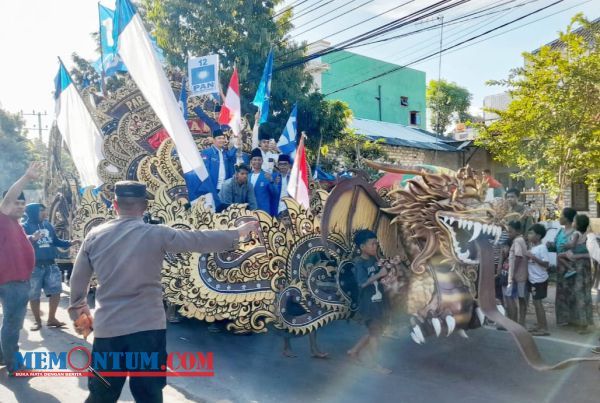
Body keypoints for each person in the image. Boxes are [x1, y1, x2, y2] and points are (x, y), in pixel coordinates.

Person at [68, 181, 259, 402]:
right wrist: (237, 233)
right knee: (149, 395)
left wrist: (79, 315)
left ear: (114, 205)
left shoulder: (94, 236)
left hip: (108, 330)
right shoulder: (157, 234)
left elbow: (77, 282)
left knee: (101, 396)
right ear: (145, 206)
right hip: (147, 331)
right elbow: (198, 239)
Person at [0, 162, 41, 374]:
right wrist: (26, 178)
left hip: (17, 281)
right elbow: (8, 200)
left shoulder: (14, 224)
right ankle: (14, 365)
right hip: (13, 283)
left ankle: (2, 357)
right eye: (16, 203)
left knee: (10, 323)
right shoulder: (3, 218)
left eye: (22, 203)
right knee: (13, 324)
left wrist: (31, 239)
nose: (20, 206)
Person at [21, 203, 78, 331]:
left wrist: (70, 243)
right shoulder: (24, 227)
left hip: (51, 265)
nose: (45, 213)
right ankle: (37, 321)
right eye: (41, 211)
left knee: (56, 291)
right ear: (33, 212)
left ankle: (51, 318)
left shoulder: (48, 225)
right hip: (34, 267)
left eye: (45, 211)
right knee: (34, 295)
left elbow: (56, 241)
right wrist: (32, 239)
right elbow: (21, 243)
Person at [347, 230, 391, 375]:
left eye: (376, 244)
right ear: (362, 246)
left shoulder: (373, 259)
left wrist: (385, 275)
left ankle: (354, 351)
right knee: (374, 334)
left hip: (377, 301)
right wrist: (379, 274)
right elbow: (362, 283)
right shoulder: (359, 263)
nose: (375, 247)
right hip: (368, 304)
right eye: (372, 244)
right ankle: (375, 364)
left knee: (374, 331)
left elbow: (378, 277)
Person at [564, 214, 594, 334]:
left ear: (577, 224)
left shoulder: (576, 234)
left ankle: (583, 323)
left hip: (579, 267)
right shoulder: (587, 236)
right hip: (583, 266)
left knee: (580, 294)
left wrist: (566, 246)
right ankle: (582, 321)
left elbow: (572, 245)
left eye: (574, 221)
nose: (573, 222)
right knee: (582, 293)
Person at [547, 207, 577, 327]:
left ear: (567, 218)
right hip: (561, 267)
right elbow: (556, 246)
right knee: (562, 293)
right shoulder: (560, 231)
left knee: (572, 292)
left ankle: (574, 319)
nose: (559, 218)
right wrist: (551, 246)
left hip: (571, 266)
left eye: (561, 215)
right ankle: (564, 318)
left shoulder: (575, 233)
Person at [525, 224, 551, 336]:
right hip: (533, 279)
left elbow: (546, 264)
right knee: (535, 303)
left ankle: (543, 328)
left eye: (531, 233)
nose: (529, 235)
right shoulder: (533, 247)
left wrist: (533, 257)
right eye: (529, 233)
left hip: (539, 280)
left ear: (539, 236)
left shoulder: (542, 248)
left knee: (538, 303)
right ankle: (540, 324)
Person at [505, 220, 528, 326]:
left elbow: (518, 257)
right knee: (521, 299)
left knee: (510, 297)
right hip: (521, 276)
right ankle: (521, 322)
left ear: (517, 231)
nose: (508, 234)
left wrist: (513, 274)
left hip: (516, 276)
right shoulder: (521, 240)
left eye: (510, 231)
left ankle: (513, 322)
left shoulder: (517, 241)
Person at [249, 148, 273, 214]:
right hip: (250, 211)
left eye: (259, 160)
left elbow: (274, 193)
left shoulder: (267, 176)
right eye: (254, 160)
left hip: (263, 211)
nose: (257, 162)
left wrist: (271, 181)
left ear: (262, 161)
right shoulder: (247, 176)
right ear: (251, 161)